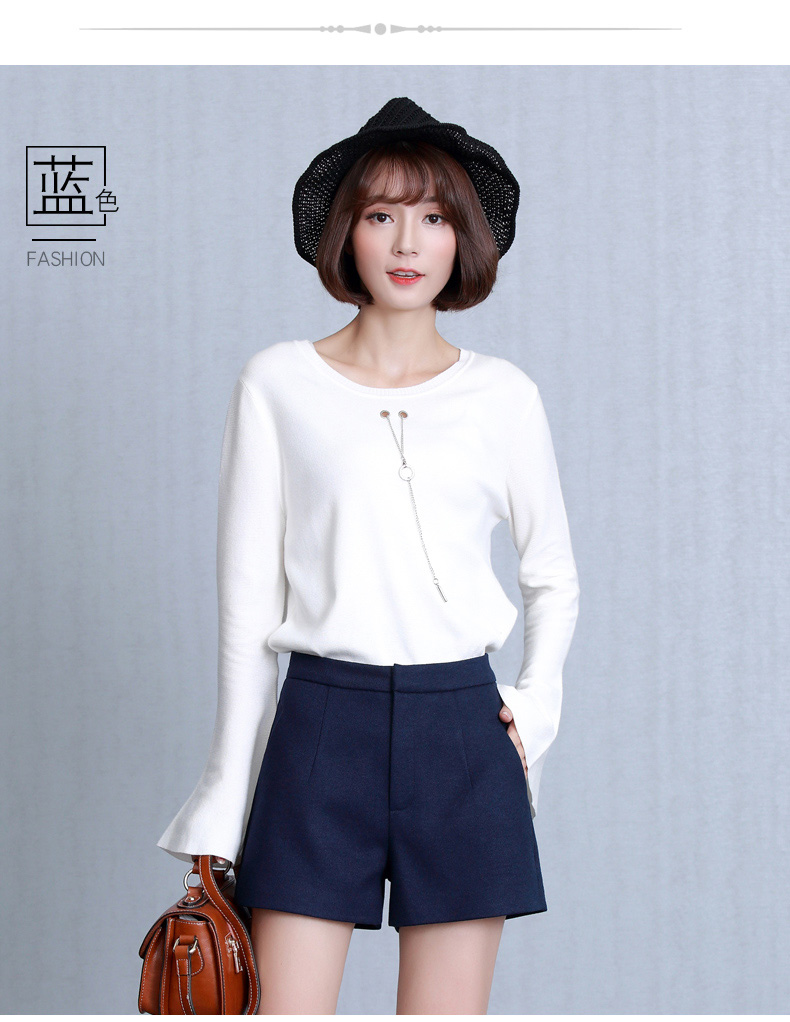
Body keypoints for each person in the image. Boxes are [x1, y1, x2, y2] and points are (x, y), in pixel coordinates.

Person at [157, 97, 580, 1014]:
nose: (407, 242)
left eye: (434, 217)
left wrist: (534, 708)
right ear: (345, 232)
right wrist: (225, 798)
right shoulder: (278, 382)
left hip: (463, 733)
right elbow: (244, 611)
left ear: (463, 237)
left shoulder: (504, 396)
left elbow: (552, 576)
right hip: (320, 729)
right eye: (381, 214)